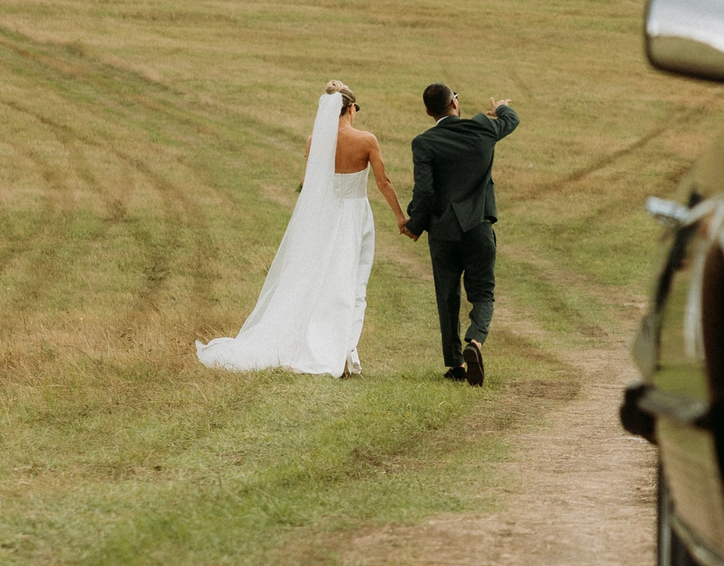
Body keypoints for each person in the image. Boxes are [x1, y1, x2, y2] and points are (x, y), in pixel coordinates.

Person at [196, 81, 403, 376]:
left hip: (323, 217)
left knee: (321, 282)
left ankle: (329, 349)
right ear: (351, 109)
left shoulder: (313, 141)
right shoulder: (366, 140)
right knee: (352, 283)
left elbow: (307, 184)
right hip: (354, 217)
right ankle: (342, 355)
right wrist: (400, 218)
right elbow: (384, 182)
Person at [401, 82, 518, 386]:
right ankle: (475, 341)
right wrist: (500, 108)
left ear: (428, 111)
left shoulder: (424, 143)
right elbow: (511, 120)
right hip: (478, 226)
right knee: (483, 293)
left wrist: (414, 225)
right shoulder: (482, 128)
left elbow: (425, 192)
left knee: (447, 295)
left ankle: (455, 364)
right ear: (454, 103)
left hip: (443, 232)